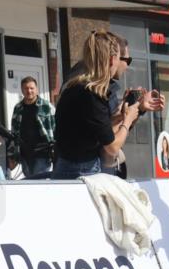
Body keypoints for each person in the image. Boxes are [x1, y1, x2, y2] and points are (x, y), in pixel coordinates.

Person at [52, 31, 140, 179]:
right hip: (81, 171)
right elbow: (112, 148)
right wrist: (128, 119)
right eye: (120, 58)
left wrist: (117, 117)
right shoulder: (93, 94)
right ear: (112, 60)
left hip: (65, 165)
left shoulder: (75, 86)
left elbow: (86, 128)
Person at [8, 76, 55, 178]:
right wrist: (12, 154)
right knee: (29, 182)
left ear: (36, 89)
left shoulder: (46, 106)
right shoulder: (18, 108)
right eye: (26, 88)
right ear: (22, 90)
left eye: (31, 88)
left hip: (42, 153)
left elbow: (55, 128)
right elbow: (14, 132)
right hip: (25, 154)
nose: (29, 91)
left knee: (39, 182)